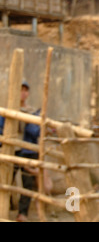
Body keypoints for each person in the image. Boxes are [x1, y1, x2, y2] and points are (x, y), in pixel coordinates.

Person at [0, 81, 42, 222]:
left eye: (25, 90)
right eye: (20, 90)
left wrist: (29, 120)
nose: (23, 93)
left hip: (28, 151)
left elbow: (34, 131)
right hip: (11, 150)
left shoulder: (33, 112)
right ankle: (3, 209)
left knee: (27, 184)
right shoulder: (7, 111)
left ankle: (22, 213)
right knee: (6, 179)